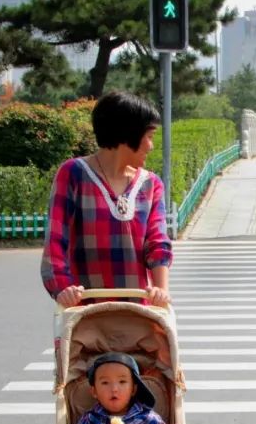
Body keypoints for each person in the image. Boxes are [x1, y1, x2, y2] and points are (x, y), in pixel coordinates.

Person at [41, 91, 171, 308]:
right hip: (84, 313)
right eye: (149, 136)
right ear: (128, 133)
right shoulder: (73, 174)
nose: (151, 146)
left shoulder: (151, 184)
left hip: (138, 312)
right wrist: (64, 289)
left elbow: (158, 243)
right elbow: (55, 243)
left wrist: (161, 292)